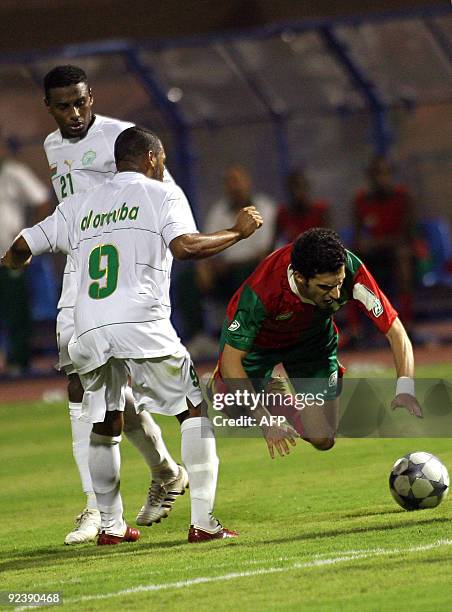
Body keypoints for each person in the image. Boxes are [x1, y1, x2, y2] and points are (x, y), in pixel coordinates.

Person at [2, 126, 263, 543]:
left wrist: (10, 262)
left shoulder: (79, 204)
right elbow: (187, 248)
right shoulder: (162, 194)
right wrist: (237, 232)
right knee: (194, 411)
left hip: (86, 328)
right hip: (141, 323)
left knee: (105, 422)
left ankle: (110, 526)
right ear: (154, 159)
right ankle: (204, 524)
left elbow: (21, 246)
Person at [42, 64, 185, 544]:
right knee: (88, 383)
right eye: (64, 105)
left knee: (106, 382)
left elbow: (164, 185)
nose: (75, 111)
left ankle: (129, 490)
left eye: (81, 101)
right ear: (51, 108)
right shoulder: (52, 147)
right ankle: (140, 481)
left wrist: (176, 242)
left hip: (128, 271)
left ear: (91, 96)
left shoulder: (121, 136)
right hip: (81, 271)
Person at [212, 228, 422, 459]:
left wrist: (405, 388)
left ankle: (278, 397)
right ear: (301, 278)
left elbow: (396, 332)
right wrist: (265, 420)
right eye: (325, 287)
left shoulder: (352, 271)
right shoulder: (263, 290)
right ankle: (271, 395)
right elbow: (232, 362)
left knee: (324, 439)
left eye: (339, 284)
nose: (336, 294)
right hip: (259, 345)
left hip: (312, 343)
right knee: (232, 406)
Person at [177, 165, 276, 354]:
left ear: (248, 182)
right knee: (188, 279)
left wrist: (227, 264)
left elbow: (264, 252)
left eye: (238, 180)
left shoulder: (265, 207)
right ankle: (199, 338)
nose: (235, 186)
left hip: (254, 271)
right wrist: (205, 267)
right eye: (230, 182)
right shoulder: (218, 211)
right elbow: (208, 245)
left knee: (246, 273)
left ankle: (249, 337)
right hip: (222, 272)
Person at [0, 145, 51, 374]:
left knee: (16, 309)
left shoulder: (13, 173)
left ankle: (18, 363)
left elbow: (41, 200)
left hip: (8, 255)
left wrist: (27, 237)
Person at [351, 156, 415, 332]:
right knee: (347, 265)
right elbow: (357, 237)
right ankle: (356, 330)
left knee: (402, 256)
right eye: (376, 174)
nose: (381, 178)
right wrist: (362, 245)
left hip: (397, 251)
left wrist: (378, 242)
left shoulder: (403, 198)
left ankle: (407, 324)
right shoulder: (361, 201)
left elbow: (406, 236)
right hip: (373, 254)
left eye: (385, 173)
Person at [274, 169, 330, 248]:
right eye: (293, 188)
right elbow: (273, 245)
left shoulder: (321, 210)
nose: (297, 192)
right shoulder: (283, 214)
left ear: (307, 188)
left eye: (301, 187)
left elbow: (332, 242)